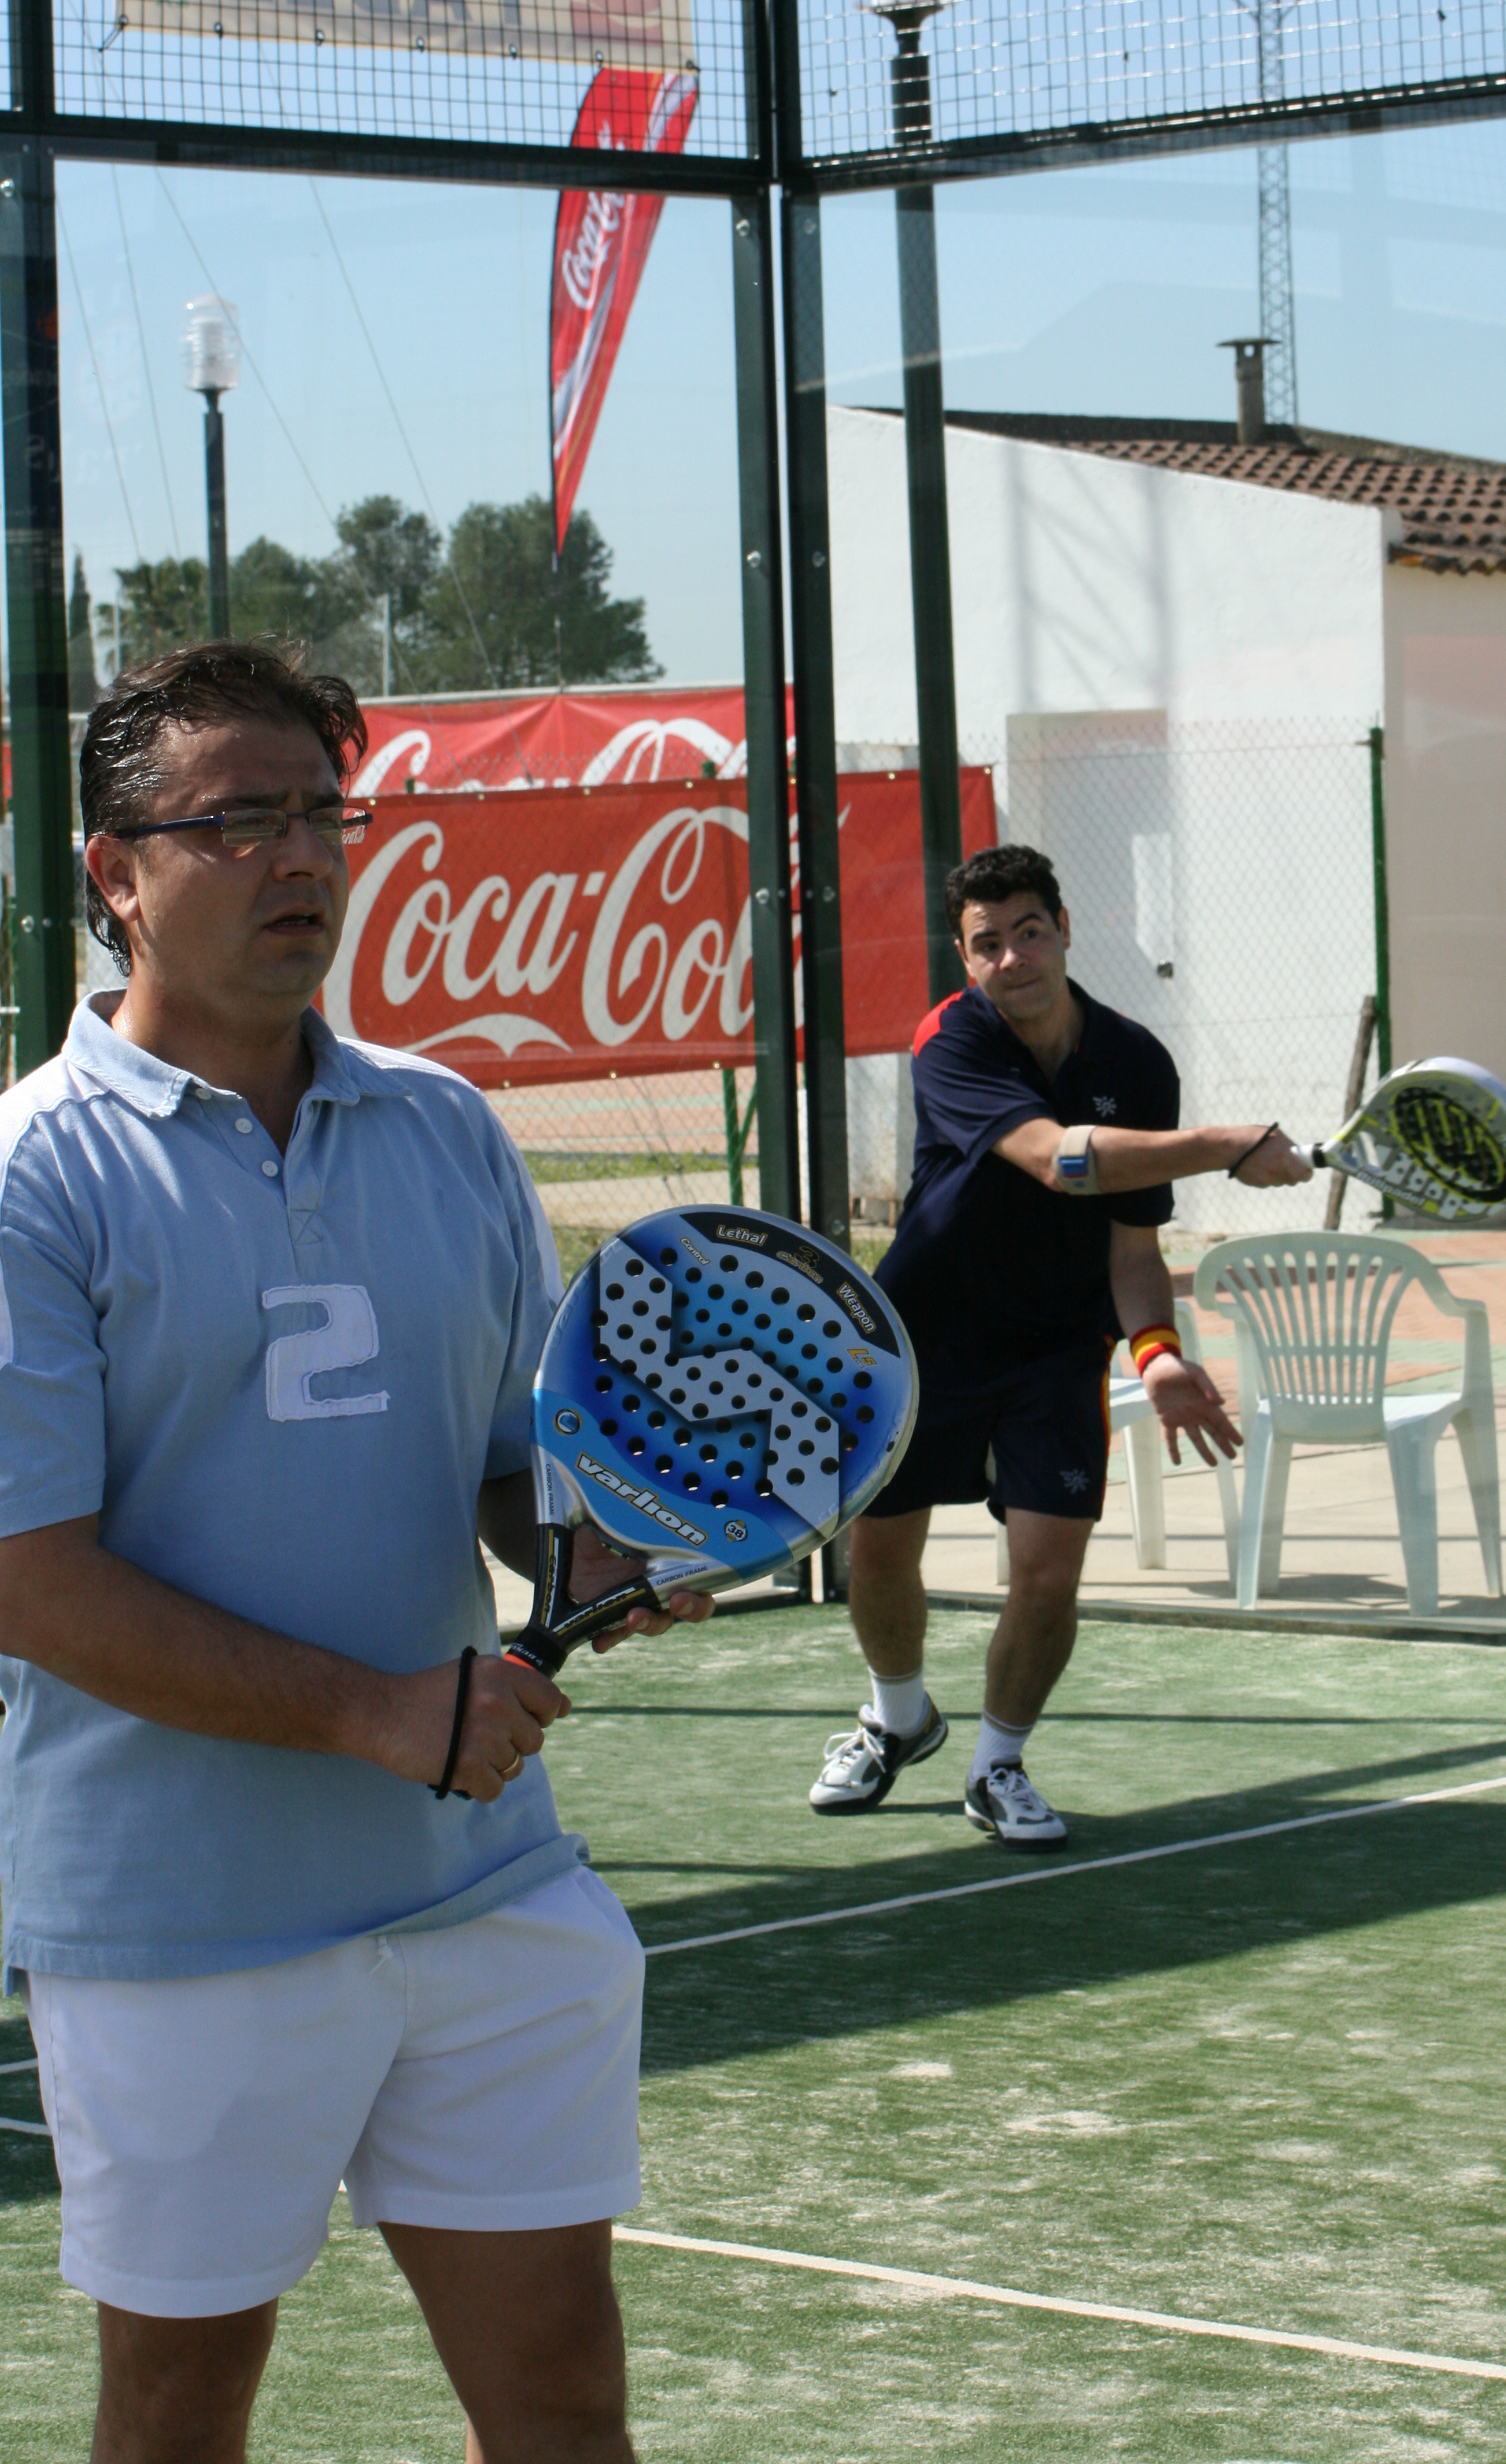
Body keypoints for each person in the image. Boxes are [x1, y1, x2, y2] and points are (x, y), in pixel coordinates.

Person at [0, 641, 710, 2464]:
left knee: (563, 2397)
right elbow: (29, 1578)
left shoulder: (446, 1125)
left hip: (484, 1885)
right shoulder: (32, 1176)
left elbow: (517, 1466)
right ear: (116, 871)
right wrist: (380, 1714)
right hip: (176, 1925)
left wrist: (602, 1546)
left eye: (325, 813)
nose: (304, 856)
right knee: (181, 2411)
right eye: (239, 821)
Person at [810, 843, 1309, 1850]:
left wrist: (1157, 1354)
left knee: (1047, 1571)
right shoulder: (950, 1040)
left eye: (1029, 932)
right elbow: (1059, 1161)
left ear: (1065, 931)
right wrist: (1226, 1145)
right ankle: (898, 1718)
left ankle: (997, 1764)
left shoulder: (1137, 1064)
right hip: (924, 1337)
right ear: (966, 960)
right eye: (987, 943)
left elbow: (1133, 1247)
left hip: (1056, 1351)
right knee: (880, 1552)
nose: (1013, 958)